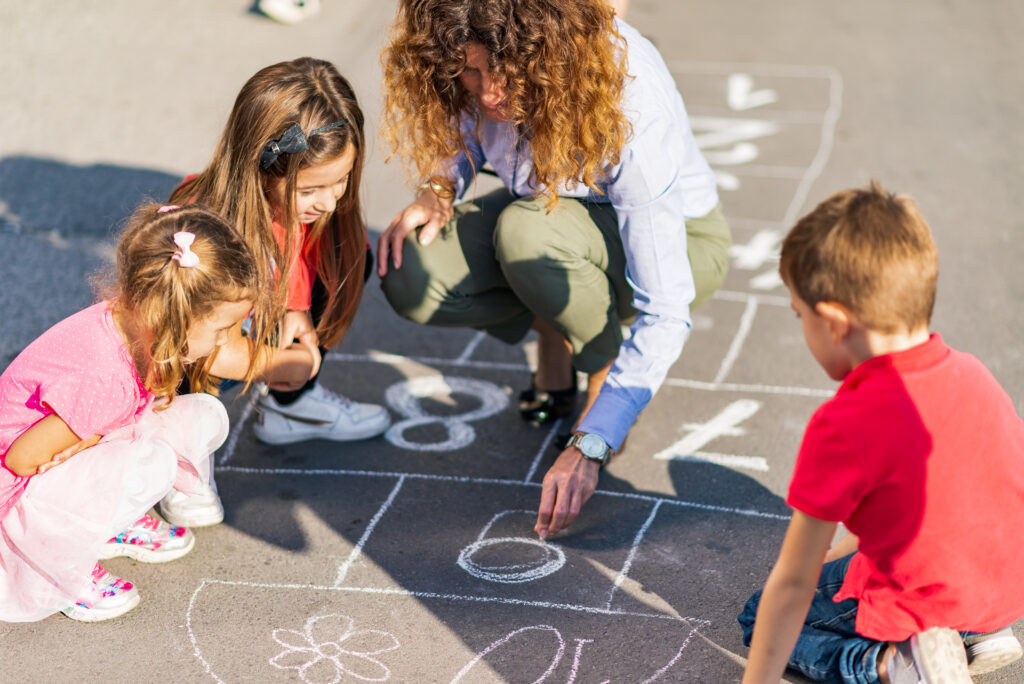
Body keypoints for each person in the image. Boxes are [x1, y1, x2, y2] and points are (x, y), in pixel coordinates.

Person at [377, 0, 730, 539]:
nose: (487, 92)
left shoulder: (631, 103)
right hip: (547, 223)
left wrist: (595, 440)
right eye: (469, 71)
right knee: (411, 269)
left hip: (682, 244)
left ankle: (602, 368)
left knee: (527, 233)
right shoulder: (479, 56)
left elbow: (665, 307)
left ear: (547, 50)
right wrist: (438, 187)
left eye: (501, 73)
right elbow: (468, 134)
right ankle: (557, 328)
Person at [738, 182, 1024, 684]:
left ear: (831, 322)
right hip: (1006, 585)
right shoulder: (972, 372)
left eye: (799, 315)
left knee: (756, 614)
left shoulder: (845, 424)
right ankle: (978, 632)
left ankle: (892, 666)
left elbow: (793, 584)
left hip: (932, 593)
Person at [0, 204, 284, 622]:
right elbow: (22, 458)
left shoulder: (135, 324)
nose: (227, 340)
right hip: (13, 495)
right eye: (222, 329)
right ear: (175, 315)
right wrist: (94, 441)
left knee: (199, 416)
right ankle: (58, 566)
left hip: (51, 460)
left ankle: (99, 524)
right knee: (151, 462)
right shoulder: (104, 376)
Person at [161, 58, 391, 527]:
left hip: (248, 327)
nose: (330, 200)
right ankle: (178, 452)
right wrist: (283, 364)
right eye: (311, 189)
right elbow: (196, 348)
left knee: (352, 253)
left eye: (341, 180)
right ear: (262, 171)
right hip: (183, 358)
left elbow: (297, 242)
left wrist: (298, 306)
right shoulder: (200, 226)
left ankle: (291, 408)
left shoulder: (310, 208)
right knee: (185, 363)